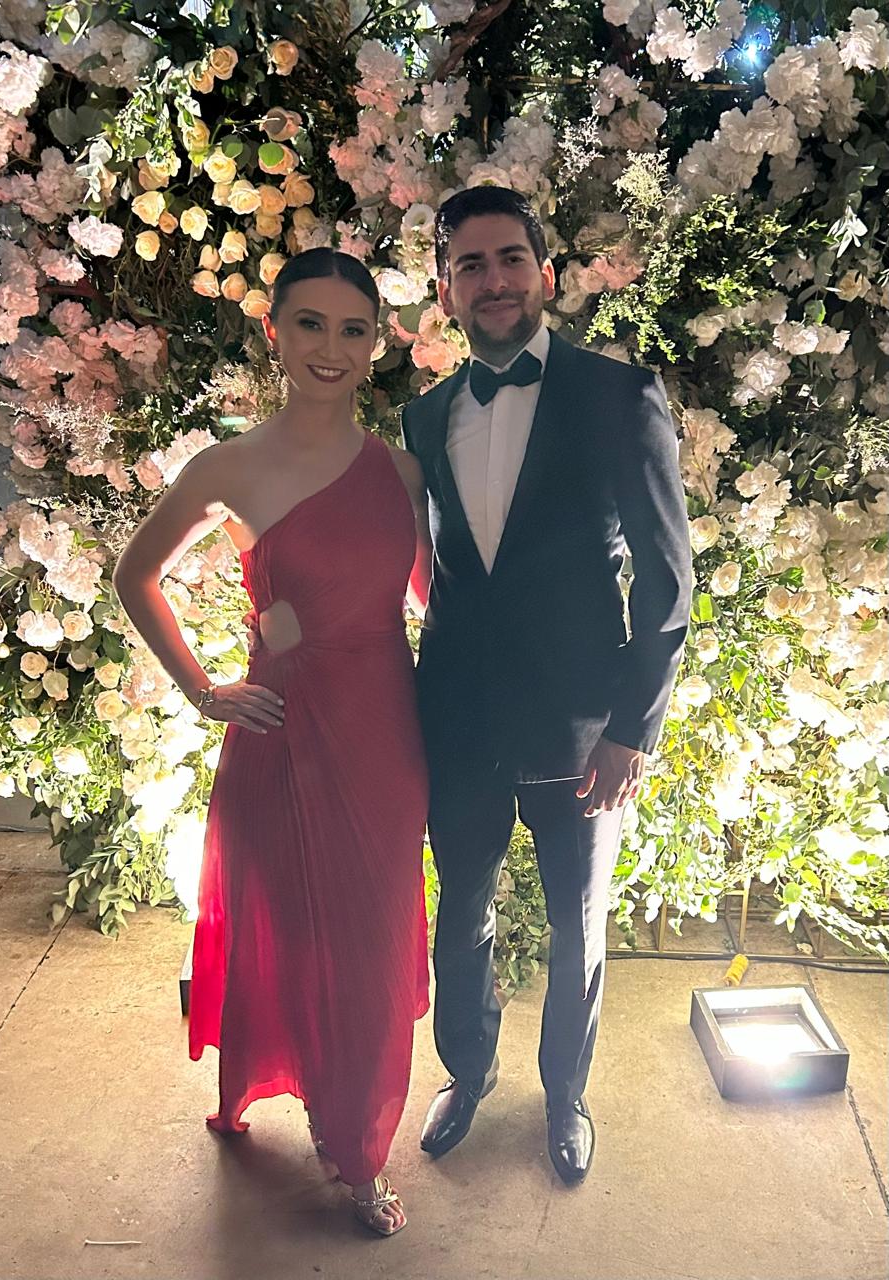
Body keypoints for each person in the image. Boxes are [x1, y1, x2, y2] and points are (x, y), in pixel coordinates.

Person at [113, 248, 432, 1237]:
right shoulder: (228, 467)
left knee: (371, 946)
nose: (330, 347)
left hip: (383, 736)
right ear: (275, 332)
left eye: (352, 329)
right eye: (310, 324)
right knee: (285, 930)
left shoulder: (402, 472)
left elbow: (434, 602)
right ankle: (296, 1093)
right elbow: (135, 575)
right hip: (280, 734)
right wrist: (204, 689)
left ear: (374, 345)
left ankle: (358, 1146)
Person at [401, 187, 693, 1184]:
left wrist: (634, 728)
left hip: (584, 727)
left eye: (510, 259)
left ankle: (566, 1095)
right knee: (461, 916)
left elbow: (668, 580)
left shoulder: (619, 395)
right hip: (459, 721)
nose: (493, 280)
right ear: (447, 289)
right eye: (470, 265)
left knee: (578, 927)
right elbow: (440, 573)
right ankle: (466, 1071)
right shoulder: (425, 415)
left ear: (546, 274)